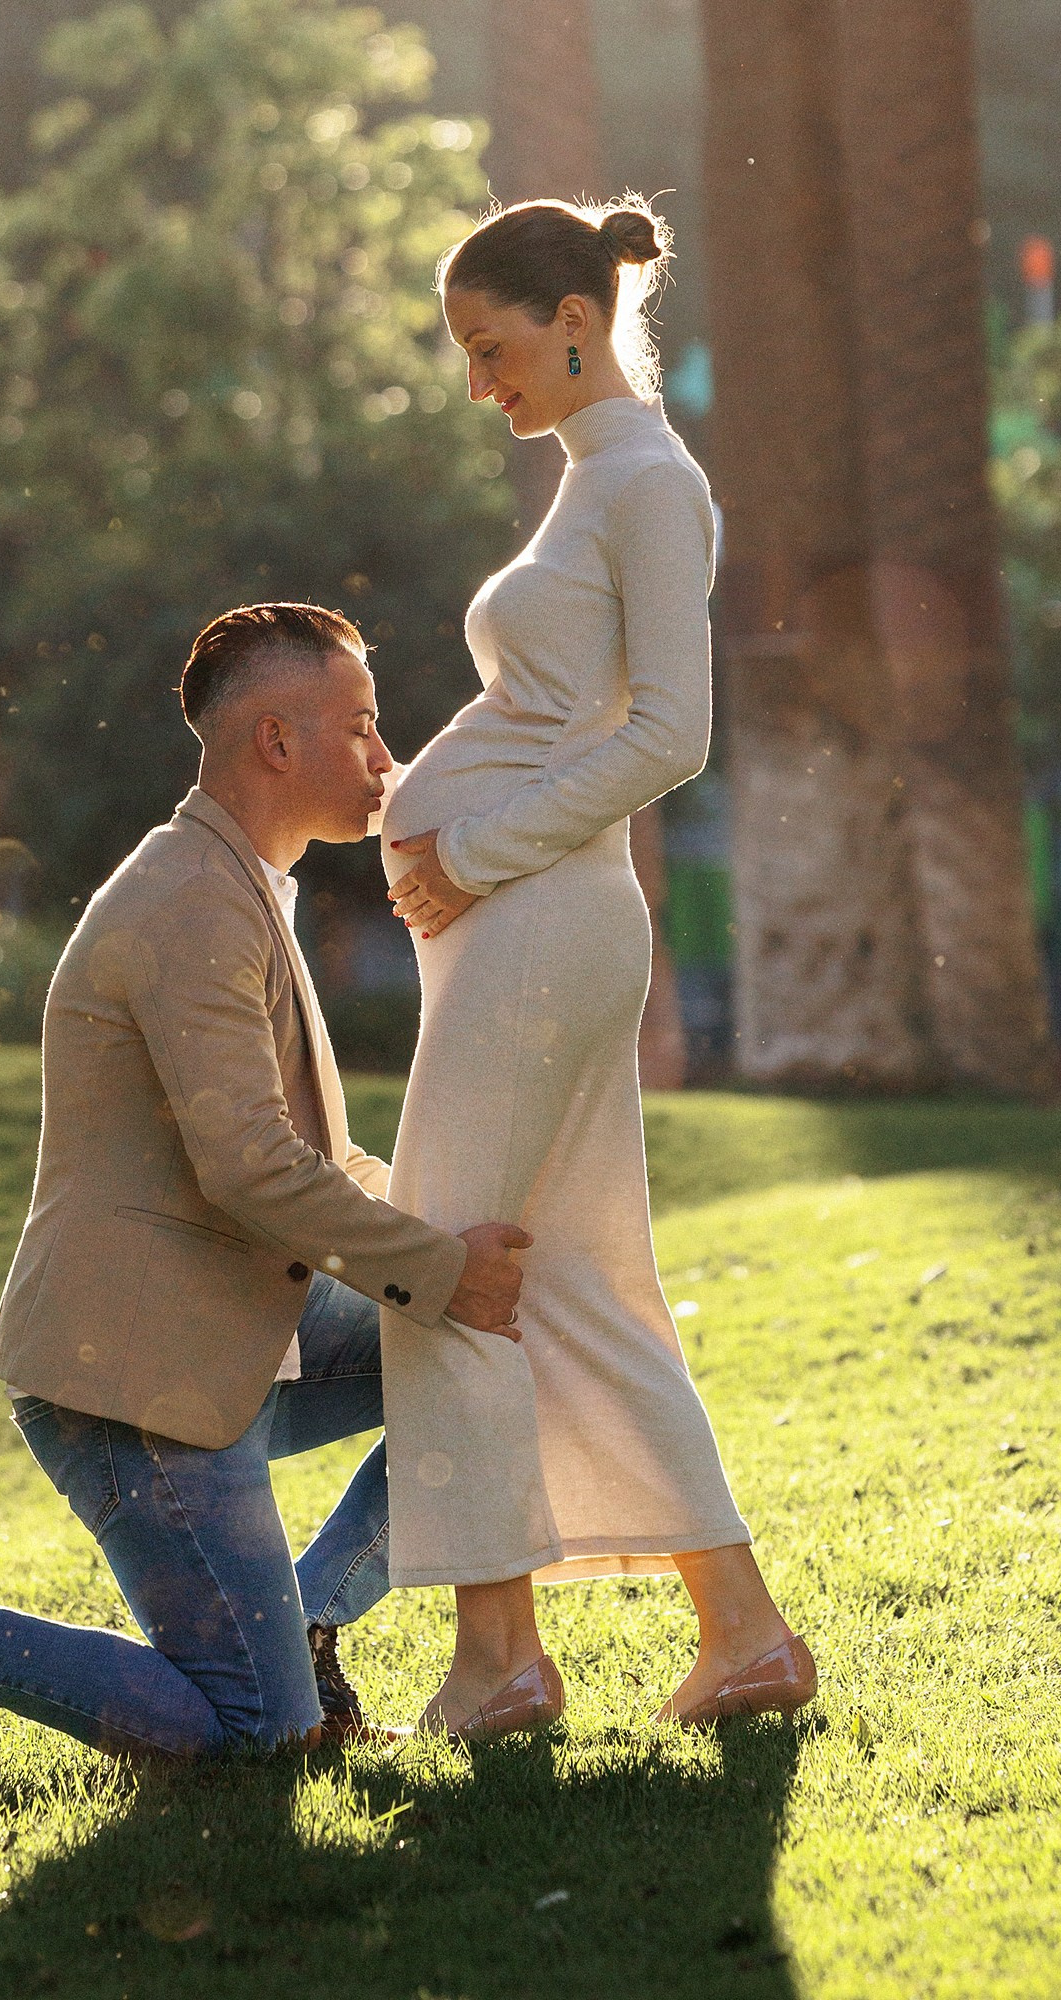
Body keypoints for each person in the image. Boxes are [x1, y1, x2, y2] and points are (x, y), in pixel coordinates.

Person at [0, 603, 530, 1782]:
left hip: (228, 1333)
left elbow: (317, 1159)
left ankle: (305, 1624)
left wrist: (454, 1245)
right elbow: (248, 1164)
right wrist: (439, 1268)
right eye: (360, 727)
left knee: (500, 1348)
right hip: (132, 1380)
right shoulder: (189, 899)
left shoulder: (241, 883)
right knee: (252, 1738)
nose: (387, 758)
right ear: (275, 741)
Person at [377, 198, 816, 1738]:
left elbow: (673, 736)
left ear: (575, 316)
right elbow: (559, 714)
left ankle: (499, 1662)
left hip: (546, 922)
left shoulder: (648, 483)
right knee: (561, 1278)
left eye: (491, 347)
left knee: (442, 1261)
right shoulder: (593, 480)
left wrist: (471, 851)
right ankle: (743, 1635)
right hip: (525, 926)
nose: (478, 382)